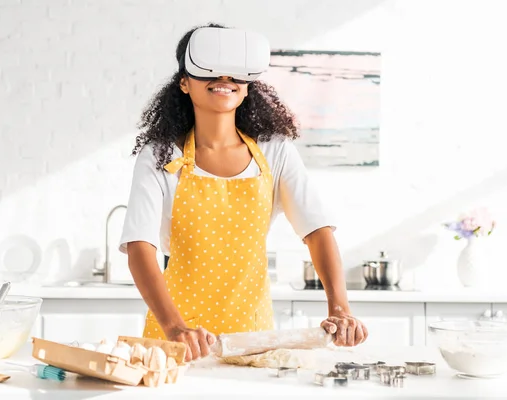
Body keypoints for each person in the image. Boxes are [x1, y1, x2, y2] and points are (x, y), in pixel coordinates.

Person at [119, 23, 368, 362]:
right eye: (208, 70)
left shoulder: (276, 153)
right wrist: (175, 327)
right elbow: (140, 247)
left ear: (248, 86)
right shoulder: (161, 156)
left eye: (236, 74)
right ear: (184, 82)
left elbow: (317, 231)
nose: (224, 79)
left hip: (253, 338)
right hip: (175, 338)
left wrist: (340, 307)